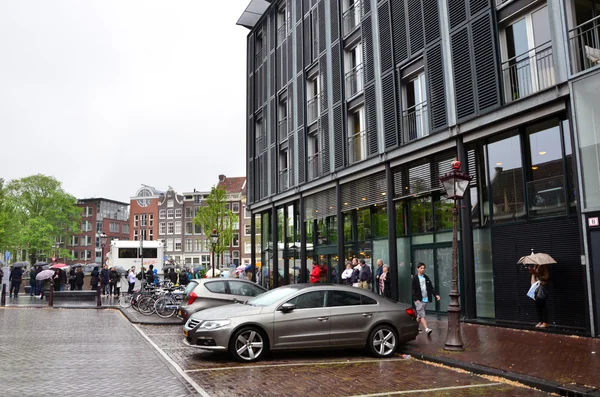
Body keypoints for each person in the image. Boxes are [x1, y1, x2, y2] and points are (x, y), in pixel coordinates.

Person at [411, 262, 440, 335]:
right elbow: (413, 289)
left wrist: (436, 295)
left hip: (425, 299)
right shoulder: (415, 278)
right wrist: (415, 299)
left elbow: (431, 287)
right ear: (417, 269)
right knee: (422, 314)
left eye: (423, 268)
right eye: (421, 268)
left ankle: (415, 327)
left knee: (419, 315)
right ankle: (427, 329)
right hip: (418, 299)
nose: (422, 269)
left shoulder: (426, 277)